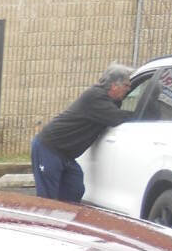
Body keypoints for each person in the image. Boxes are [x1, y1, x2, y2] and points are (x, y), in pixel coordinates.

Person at [31, 64, 133, 203]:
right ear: (115, 85)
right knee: (47, 198)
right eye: (126, 85)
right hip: (49, 148)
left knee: (75, 188)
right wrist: (145, 115)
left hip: (66, 155)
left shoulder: (109, 101)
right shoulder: (95, 97)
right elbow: (116, 117)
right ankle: (45, 222)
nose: (129, 89)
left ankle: (65, 221)